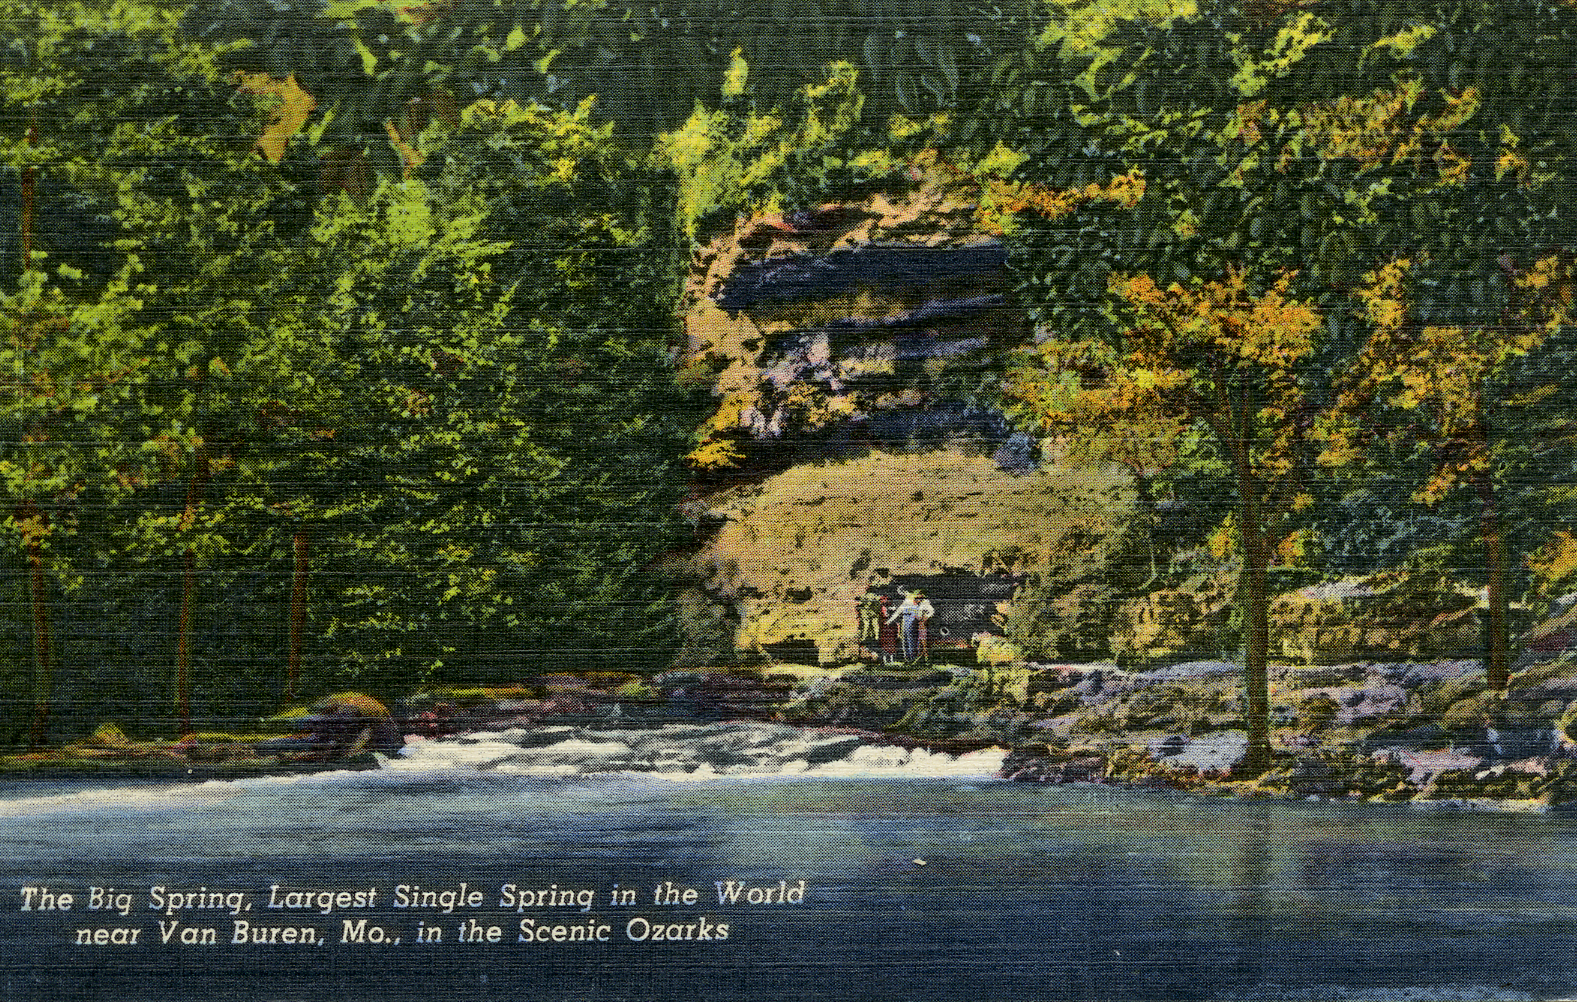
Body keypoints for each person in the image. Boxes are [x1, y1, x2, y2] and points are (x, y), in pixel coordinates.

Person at [886, 589, 935, 664]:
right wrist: (889, 621)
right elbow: (898, 611)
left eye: (920, 597)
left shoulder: (924, 602)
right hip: (905, 620)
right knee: (904, 640)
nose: (919, 599)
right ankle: (907, 658)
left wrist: (926, 617)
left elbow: (931, 611)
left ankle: (913, 658)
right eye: (917, 597)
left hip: (913, 620)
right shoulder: (907, 601)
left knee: (912, 640)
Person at [856, 580, 882, 657]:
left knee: (868, 626)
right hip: (871, 614)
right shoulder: (873, 596)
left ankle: (865, 638)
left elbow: (860, 602)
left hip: (870, 614)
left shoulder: (867, 596)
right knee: (872, 626)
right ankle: (874, 637)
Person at [877, 595, 899, 664]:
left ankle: (890, 659)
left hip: (890, 627)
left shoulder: (891, 608)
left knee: (890, 642)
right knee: (885, 643)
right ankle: (885, 659)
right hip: (885, 627)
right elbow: (884, 616)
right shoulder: (882, 608)